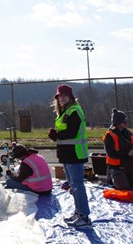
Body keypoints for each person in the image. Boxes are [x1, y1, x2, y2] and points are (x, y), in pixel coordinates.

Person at [48, 84, 91, 227]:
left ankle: (84, 216)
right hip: (67, 153)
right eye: (60, 96)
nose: (62, 98)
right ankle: (79, 212)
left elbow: (72, 132)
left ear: (71, 97)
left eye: (64, 95)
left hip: (75, 153)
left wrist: (56, 136)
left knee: (77, 185)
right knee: (73, 185)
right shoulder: (64, 111)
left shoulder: (74, 111)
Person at [103, 108, 133, 190]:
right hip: (115, 167)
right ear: (117, 122)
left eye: (126, 121)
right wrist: (127, 154)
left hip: (129, 165)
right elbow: (111, 154)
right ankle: (112, 179)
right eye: (124, 122)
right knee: (124, 188)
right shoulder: (109, 135)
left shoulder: (128, 133)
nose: (126, 123)